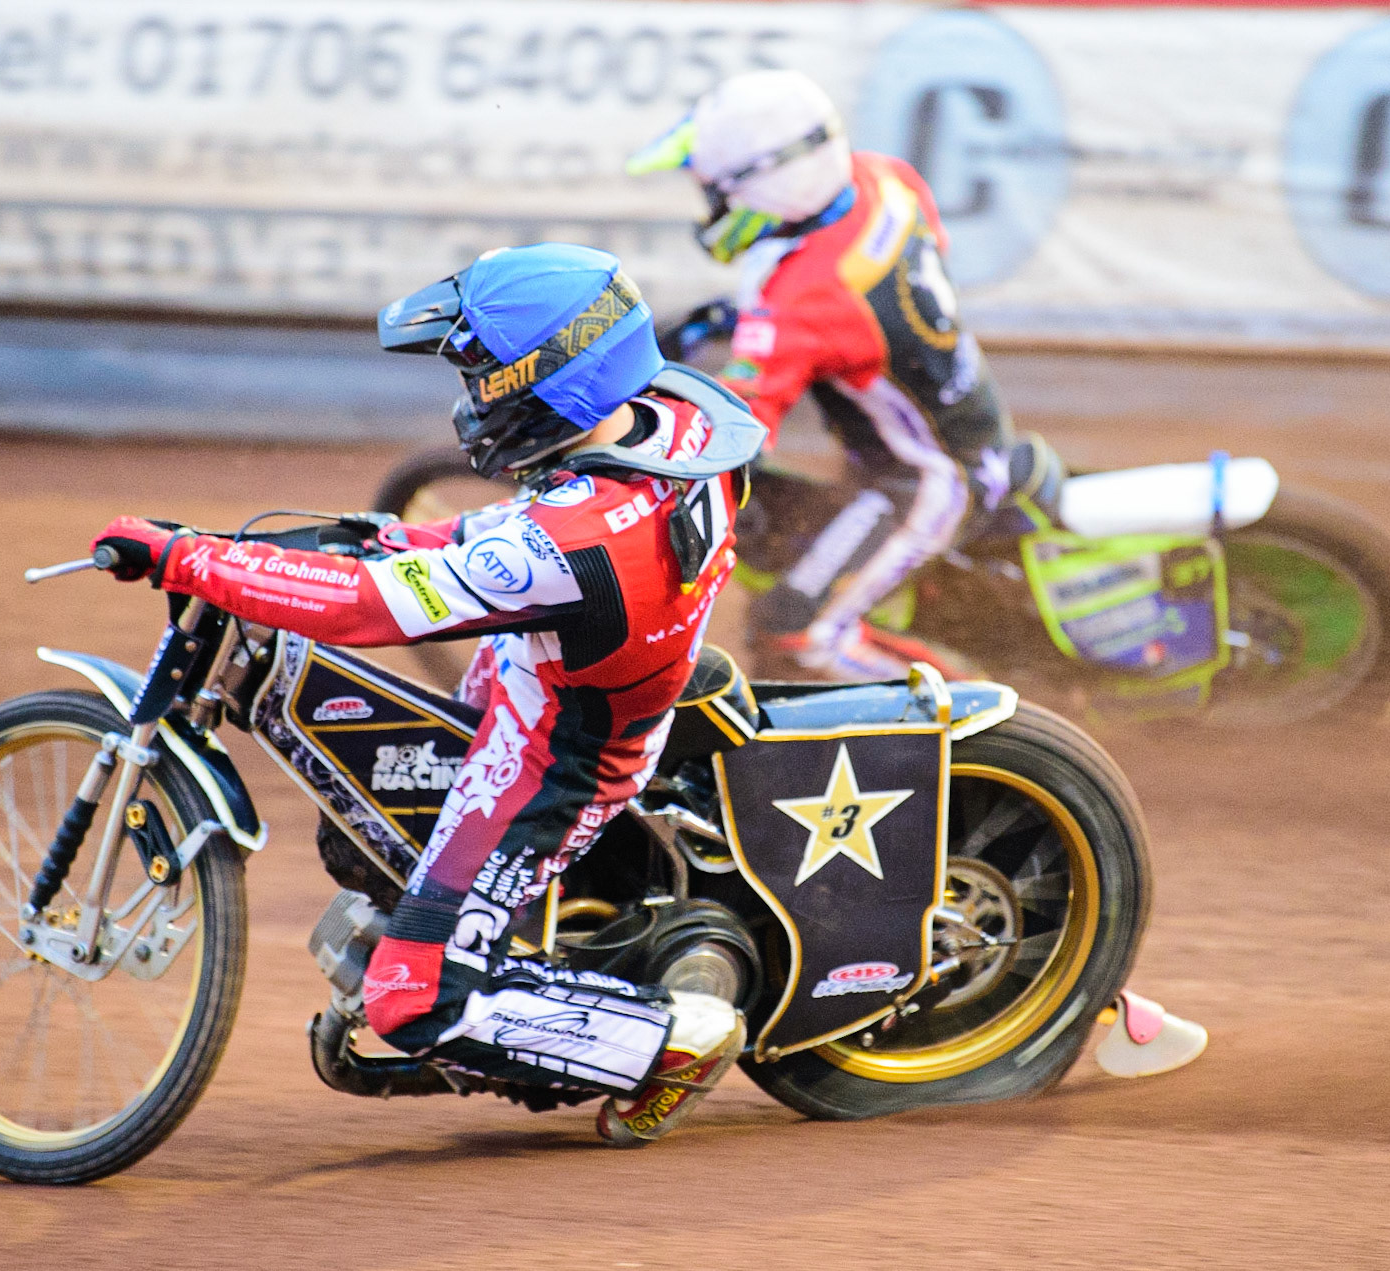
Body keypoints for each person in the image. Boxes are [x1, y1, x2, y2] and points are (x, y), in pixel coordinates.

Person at [92, 243, 767, 1146]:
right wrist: (404, 537)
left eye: (483, 371)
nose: (472, 393)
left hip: (556, 756)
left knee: (409, 998)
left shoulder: (568, 545)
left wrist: (190, 559)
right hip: (575, 660)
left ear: (555, 379)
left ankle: (669, 1038)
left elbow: (369, 608)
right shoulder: (677, 419)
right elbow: (549, 518)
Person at [628, 69, 1062, 681]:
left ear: (767, 186)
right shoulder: (885, 180)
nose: (713, 210)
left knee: (792, 631)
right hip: (966, 432)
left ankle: (979, 720)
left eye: (717, 193)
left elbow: (737, 431)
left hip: (923, 484)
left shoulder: (800, 301)